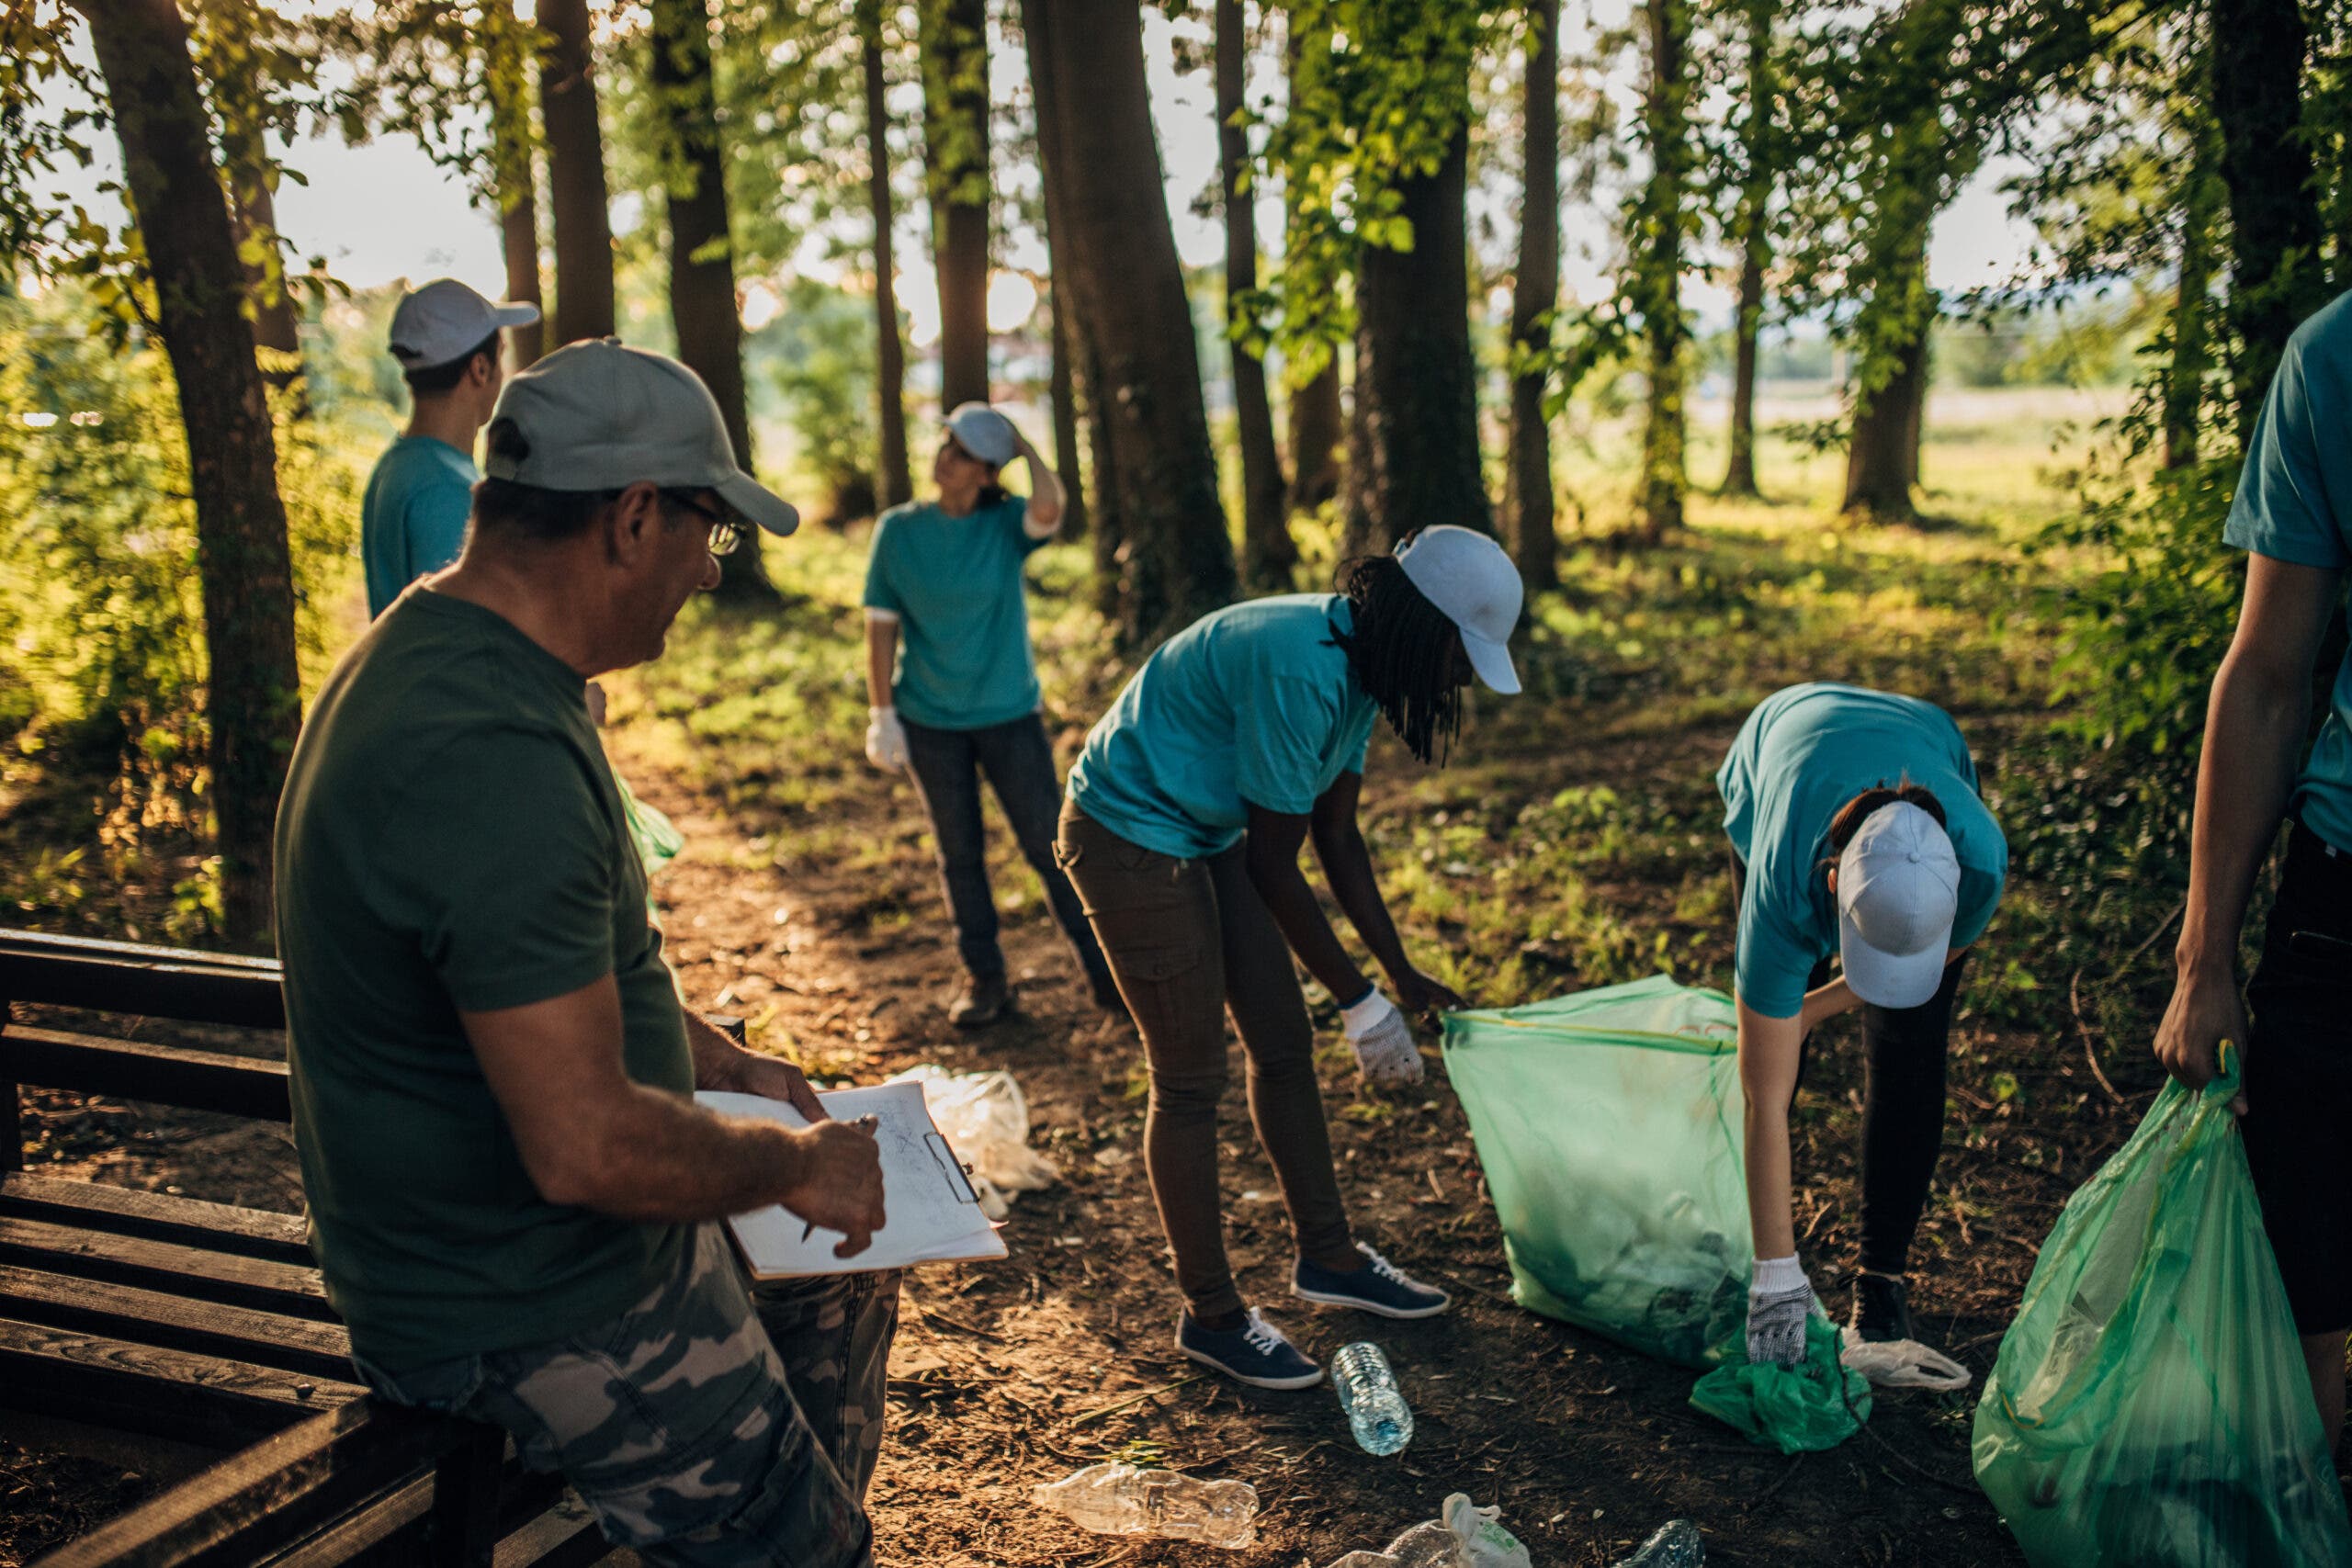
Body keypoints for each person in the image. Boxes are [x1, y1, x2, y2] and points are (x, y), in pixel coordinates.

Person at [277, 339, 899, 1566]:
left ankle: (766, 1501)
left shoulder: (449, 649)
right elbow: (586, 1145)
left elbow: (510, 980)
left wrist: (710, 1053)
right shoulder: (487, 750)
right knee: (815, 1539)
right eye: (706, 533)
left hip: (503, 1236)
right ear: (630, 517)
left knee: (844, 1277)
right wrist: (786, 1164)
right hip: (514, 1298)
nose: (708, 574)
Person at [1054, 525, 1523, 1389]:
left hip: (1209, 827)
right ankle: (1213, 1315)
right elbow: (1276, 863)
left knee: (1281, 1040)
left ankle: (1329, 1256)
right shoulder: (1304, 663)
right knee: (1191, 1077)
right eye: (1464, 657)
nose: (1463, 680)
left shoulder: (1362, 669)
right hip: (1128, 829)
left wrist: (1397, 971)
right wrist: (1357, 999)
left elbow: (1335, 835)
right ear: (1426, 628)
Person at [2154, 291, 2352, 1444]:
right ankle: (2305, 1513)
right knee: (2302, 1281)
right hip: (2341, 894)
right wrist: (2203, 957)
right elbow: (2268, 673)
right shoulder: (2331, 360)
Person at [1717, 682, 2007, 1367]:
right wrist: (1776, 1278)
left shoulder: (1977, 863)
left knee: (1910, 1042)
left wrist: (1805, 1009)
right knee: (1777, 1070)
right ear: (1829, 888)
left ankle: (1881, 1281)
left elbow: (1947, 953)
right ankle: (1761, 1242)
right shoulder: (1785, 882)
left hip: (1924, 732)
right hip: (1783, 736)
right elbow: (1763, 1094)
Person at [862, 401, 1118, 1028]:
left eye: (962, 453)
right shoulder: (899, 531)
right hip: (928, 721)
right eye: (945, 445)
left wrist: (1022, 442)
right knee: (960, 853)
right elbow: (879, 627)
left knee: (1051, 845)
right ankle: (985, 980)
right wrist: (882, 713)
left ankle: (1110, 976)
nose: (943, 458)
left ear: (986, 472)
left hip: (1009, 716)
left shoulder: (1006, 522)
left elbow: (1052, 504)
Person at [362, 277, 540, 618]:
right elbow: (459, 637)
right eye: (501, 356)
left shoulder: (397, 464)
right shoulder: (446, 490)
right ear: (480, 369)